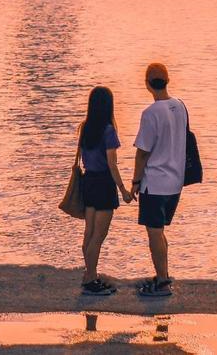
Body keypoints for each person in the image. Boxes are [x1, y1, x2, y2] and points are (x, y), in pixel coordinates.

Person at [130, 62, 187, 298]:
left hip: (155, 183)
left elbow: (142, 151)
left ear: (147, 84)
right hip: (175, 182)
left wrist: (134, 181)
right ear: (168, 81)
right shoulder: (180, 106)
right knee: (160, 231)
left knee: (154, 233)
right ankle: (162, 274)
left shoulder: (150, 113)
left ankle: (162, 282)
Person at [79, 86, 133, 296]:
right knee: (98, 237)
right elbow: (112, 164)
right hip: (103, 183)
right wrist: (123, 190)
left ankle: (89, 274)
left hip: (88, 181)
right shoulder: (108, 130)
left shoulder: (85, 127)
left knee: (89, 234)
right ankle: (91, 279)